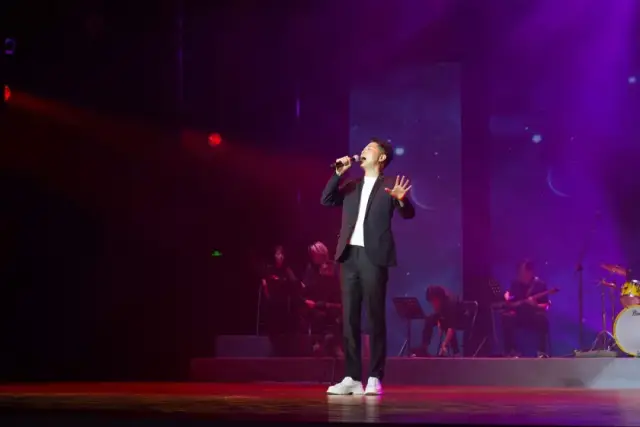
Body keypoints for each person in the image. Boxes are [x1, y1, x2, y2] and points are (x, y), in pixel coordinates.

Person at [321, 138, 415, 395]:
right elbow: (327, 199)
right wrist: (337, 174)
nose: (362, 152)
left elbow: (408, 214)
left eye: (369, 149)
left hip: (374, 256)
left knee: (374, 317)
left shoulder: (390, 184)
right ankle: (352, 377)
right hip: (349, 256)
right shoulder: (352, 185)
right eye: (363, 149)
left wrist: (402, 200)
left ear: (381, 158)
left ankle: (374, 375)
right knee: (349, 318)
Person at [301, 242, 343, 357]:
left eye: (315, 254)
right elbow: (306, 287)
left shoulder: (333, 267)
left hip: (331, 303)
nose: (314, 257)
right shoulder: (310, 269)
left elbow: (338, 287)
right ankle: (319, 343)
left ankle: (335, 345)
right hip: (315, 303)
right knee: (318, 315)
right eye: (313, 254)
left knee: (336, 315)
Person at [502, 259, 550, 358]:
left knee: (543, 320)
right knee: (507, 318)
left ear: (530, 272)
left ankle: (541, 351)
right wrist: (508, 299)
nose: (520, 275)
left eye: (522, 272)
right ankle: (511, 351)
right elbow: (511, 302)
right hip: (519, 315)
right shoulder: (515, 284)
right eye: (519, 273)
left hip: (533, 315)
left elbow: (546, 305)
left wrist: (535, 305)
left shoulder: (540, 284)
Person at [261, 245, 300, 356]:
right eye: (278, 254)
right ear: (274, 256)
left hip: (284, 301)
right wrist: (267, 293)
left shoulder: (287, 269)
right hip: (272, 300)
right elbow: (265, 283)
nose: (280, 256)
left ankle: (287, 339)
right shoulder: (270, 269)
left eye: (282, 254)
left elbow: (294, 282)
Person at [420, 286, 463, 356]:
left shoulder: (449, 303)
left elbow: (451, 328)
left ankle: (456, 351)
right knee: (429, 320)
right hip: (445, 316)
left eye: (433, 301)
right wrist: (438, 322)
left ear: (438, 298)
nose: (433, 305)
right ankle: (424, 348)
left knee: (447, 324)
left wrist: (444, 344)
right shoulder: (441, 302)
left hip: (457, 318)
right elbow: (439, 314)